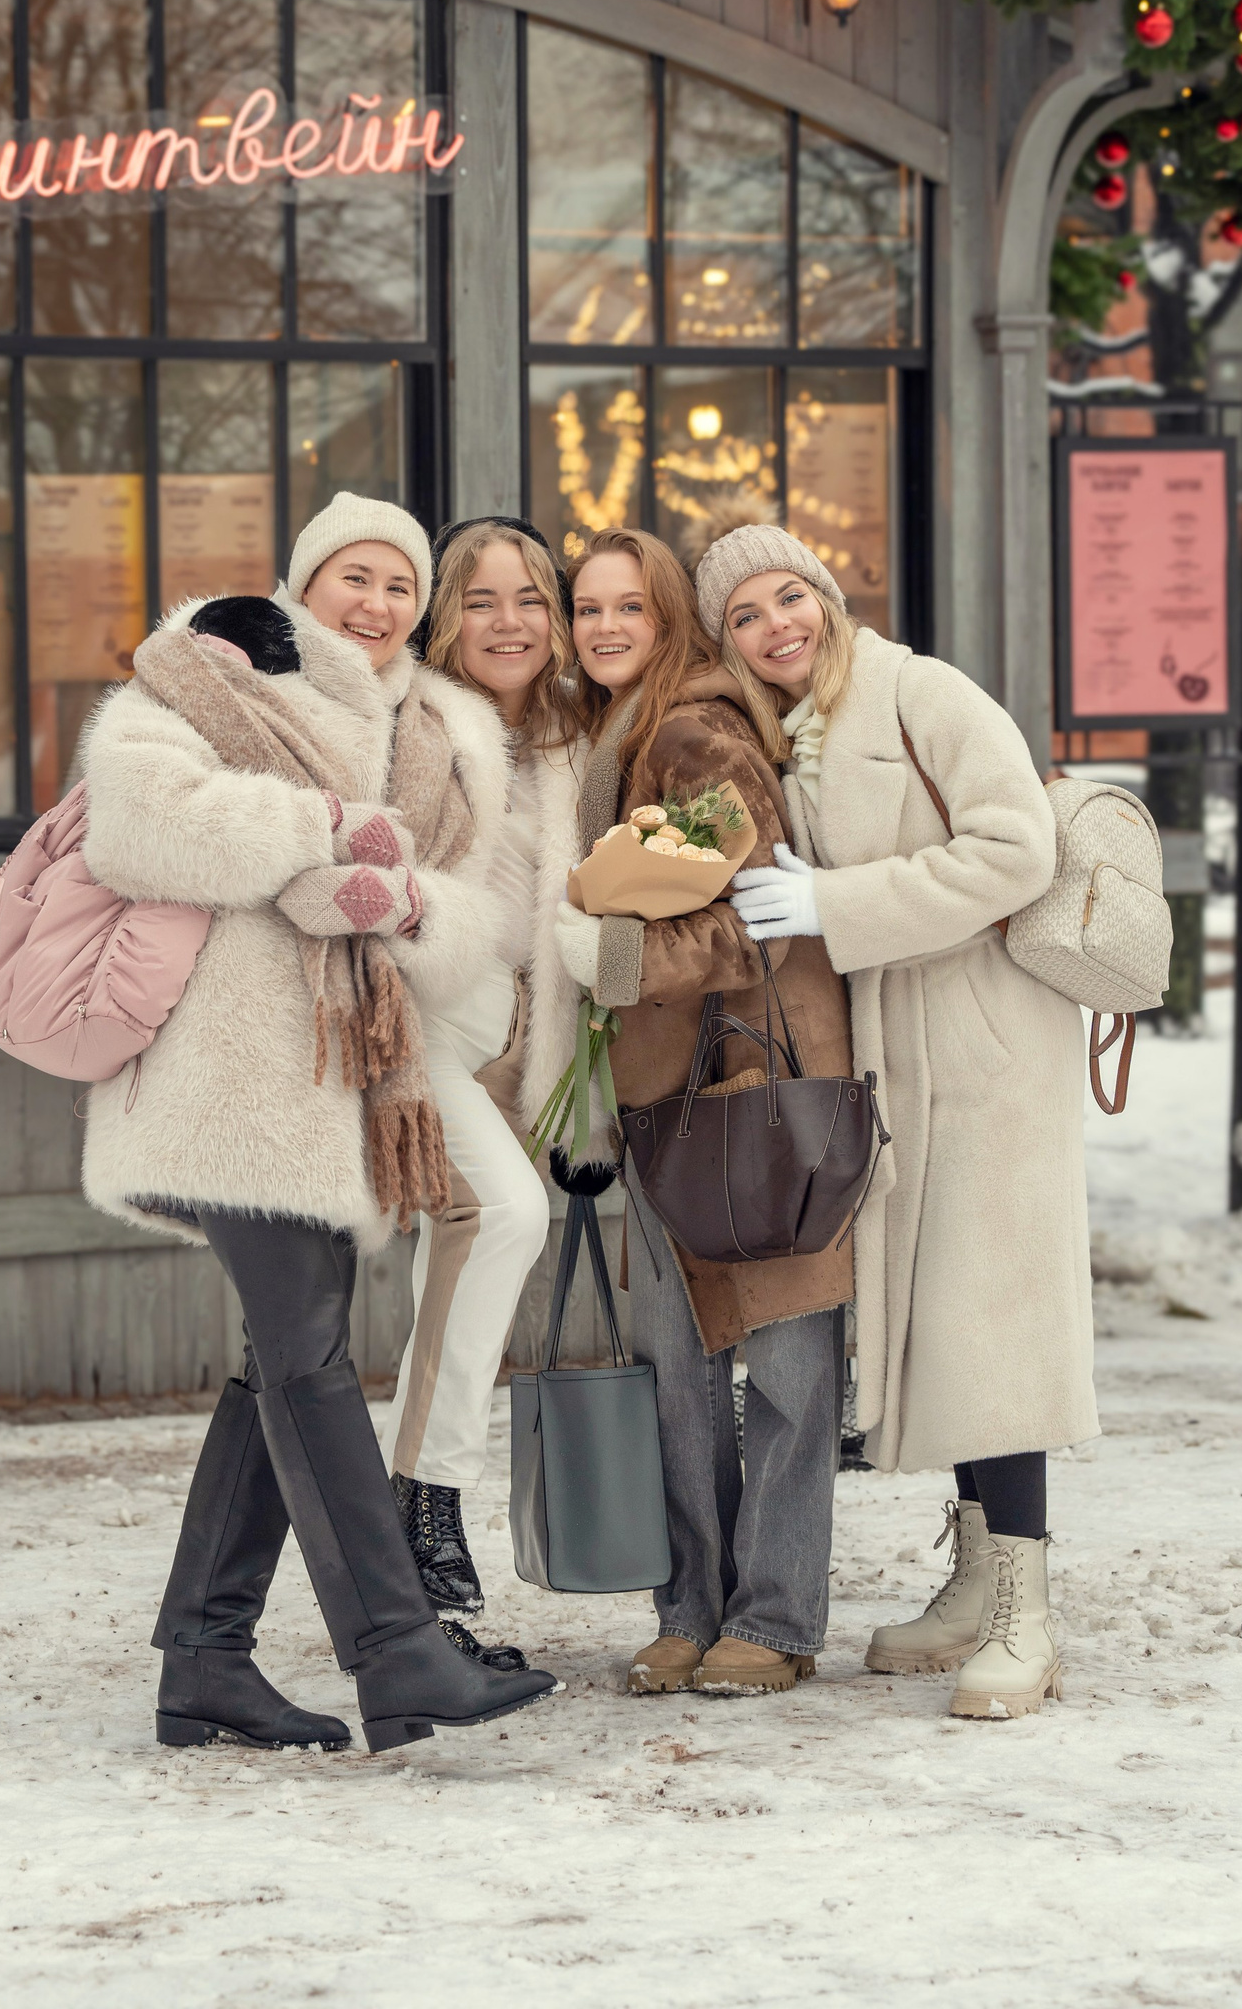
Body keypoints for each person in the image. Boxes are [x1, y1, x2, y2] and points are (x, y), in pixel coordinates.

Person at [78, 493, 556, 1753]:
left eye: (401, 585)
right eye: (355, 577)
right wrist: (328, 832)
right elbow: (138, 823)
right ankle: (399, 1655)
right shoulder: (216, 669)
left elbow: (471, 915)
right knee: (305, 1359)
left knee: (279, 1362)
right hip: (227, 1080)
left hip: (341, 1084)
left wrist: (401, 905)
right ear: (305, 582)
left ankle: (205, 1659)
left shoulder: (441, 730)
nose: (378, 604)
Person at [708, 516, 1092, 1722]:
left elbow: (1018, 848)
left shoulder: (923, 693)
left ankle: (1028, 1613)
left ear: (825, 594)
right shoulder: (794, 730)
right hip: (897, 1056)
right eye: (745, 616)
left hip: (984, 1049)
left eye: (789, 596)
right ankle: (977, 1583)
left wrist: (837, 901)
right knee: (943, 1321)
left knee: (995, 1325)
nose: (776, 626)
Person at [553, 527, 854, 1700]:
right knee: (676, 1364)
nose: (606, 627)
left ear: (672, 616)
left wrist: (617, 959)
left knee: (783, 1363)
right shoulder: (615, 738)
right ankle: (690, 1609)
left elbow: (757, 915)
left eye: (631, 606)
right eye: (588, 608)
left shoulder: (695, 731)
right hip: (665, 1092)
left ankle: (774, 1616)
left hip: (756, 1083)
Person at [386, 517, 585, 1624]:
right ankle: (426, 1499)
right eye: (480, 599)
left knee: (457, 1258)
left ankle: (408, 1538)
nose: (508, 623)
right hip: (414, 1024)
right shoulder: (412, 719)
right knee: (505, 1214)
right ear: (442, 616)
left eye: (530, 599)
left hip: (509, 1035)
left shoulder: (567, 738)